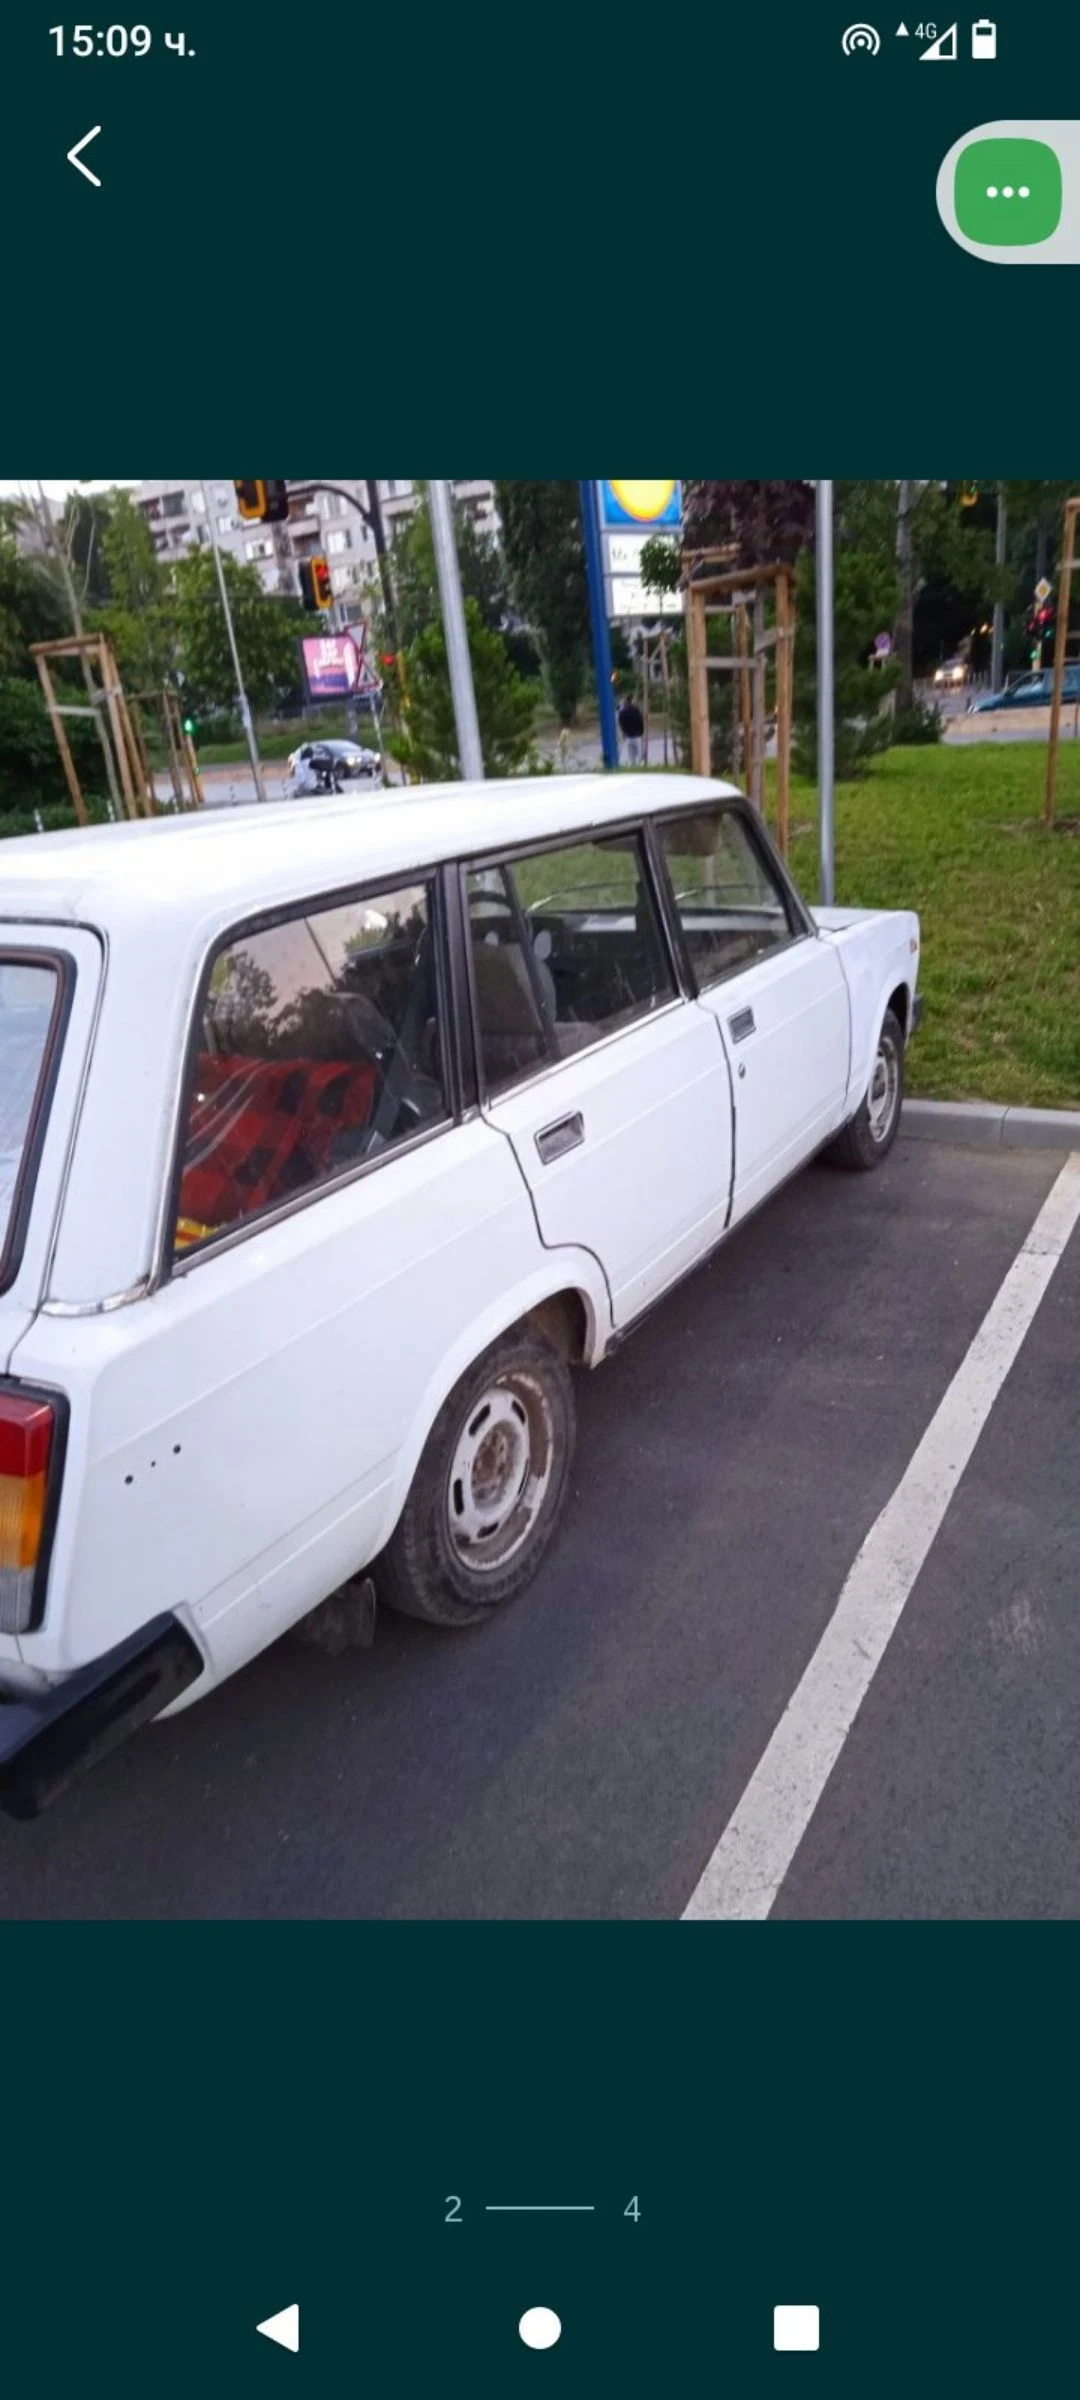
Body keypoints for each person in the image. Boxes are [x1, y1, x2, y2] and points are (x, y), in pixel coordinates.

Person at [617, 695, 645, 767]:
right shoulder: (636, 711)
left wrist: (624, 732)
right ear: (632, 701)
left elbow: (621, 724)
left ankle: (633, 767)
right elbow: (640, 722)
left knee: (631, 756)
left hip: (628, 736)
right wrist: (641, 732)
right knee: (640, 754)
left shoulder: (622, 713)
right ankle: (641, 767)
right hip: (637, 735)